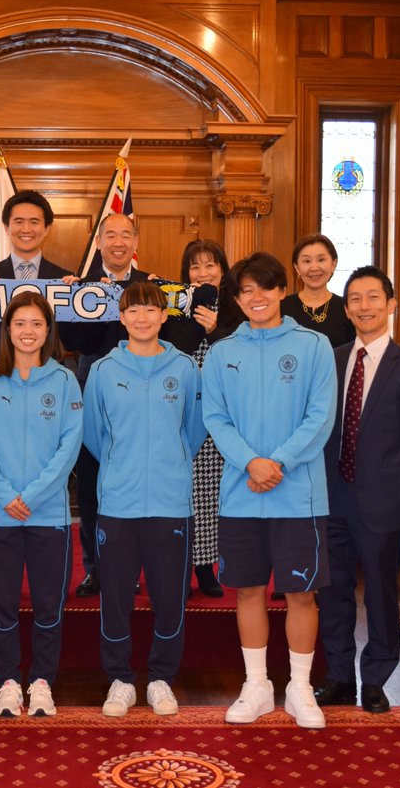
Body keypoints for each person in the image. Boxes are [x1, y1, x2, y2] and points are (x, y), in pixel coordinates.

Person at [201, 253, 336, 728]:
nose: (256, 298)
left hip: (298, 494)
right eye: (245, 291)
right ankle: (256, 685)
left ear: (283, 290)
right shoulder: (221, 352)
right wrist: (251, 462)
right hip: (241, 493)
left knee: (301, 595)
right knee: (249, 591)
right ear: (236, 299)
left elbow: (320, 417)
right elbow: (214, 418)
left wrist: (277, 462)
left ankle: (299, 689)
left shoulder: (314, 346)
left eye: (265, 288)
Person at [314, 265, 400, 714]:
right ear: (346, 309)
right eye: (355, 300)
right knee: (333, 592)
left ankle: (377, 679)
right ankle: (339, 675)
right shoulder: (329, 359)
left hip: (384, 502)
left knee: (383, 595)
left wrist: (393, 482)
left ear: (391, 304)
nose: (363, 306)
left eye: (372, 298)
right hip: (331, 496)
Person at [82, 280, 206, 718]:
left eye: (150, 310)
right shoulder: (102, 370)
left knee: (170, 596)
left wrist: (169, 463)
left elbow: (193, 430)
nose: (141, 318)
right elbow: (94, 435)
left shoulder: (186, 368)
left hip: (171, 503)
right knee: (115, 595)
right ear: (121, 317)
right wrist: (123, 465)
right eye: (133, 310)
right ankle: (119, 679)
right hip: (117, 502)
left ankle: (160, 679)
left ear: (164, 316)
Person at [0, 292, 83, 717]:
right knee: (1, 603)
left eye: (36, 323)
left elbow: (69, 447)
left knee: (50, 603)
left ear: (48, 331)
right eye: (20, 324)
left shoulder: (65, 380)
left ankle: (41, 682)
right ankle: (9, 682)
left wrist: (31, 496)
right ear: (8, 330)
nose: (28, 331)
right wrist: (4, 495)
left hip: (48, 513)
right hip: (0, 513)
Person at [72, 213, 152, 599]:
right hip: (92, 392)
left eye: (126, 235)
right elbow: (76, 342)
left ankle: (130, 569)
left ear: (136, 242)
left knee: (131, 485)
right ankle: (95, 569)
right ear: (99, 241)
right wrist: (95, 300)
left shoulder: (151, 287)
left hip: (140, 399)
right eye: (111, 235)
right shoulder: (80, 286)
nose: (118, 242)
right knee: (90, 486)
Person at [178, 239, 242, 599]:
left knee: (212, 494)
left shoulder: (236, 307)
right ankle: (181, 566)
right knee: (183, 493)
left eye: (209, 265)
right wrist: (194, 323)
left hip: (222, 412)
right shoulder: (177, 305)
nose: (202, 273)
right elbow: (174, 350)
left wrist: (216, 328)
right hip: (184, 410)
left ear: (222, 268)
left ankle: (207, 568)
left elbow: (242, 356)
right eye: (194, 267)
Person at [0, 190, 82, 368]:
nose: (26, 229)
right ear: (6, 227)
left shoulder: (64, 279)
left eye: (34, 222)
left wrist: (75, 301)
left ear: (47, 228)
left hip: (51, 374)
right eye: (18, 222)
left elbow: (72, 342)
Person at [281, 234, 355, 349]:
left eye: (321, 260)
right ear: (297, 268)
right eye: (307, 261)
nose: (314, 267)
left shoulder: (347, 308)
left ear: (333, 264)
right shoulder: (282, 308)